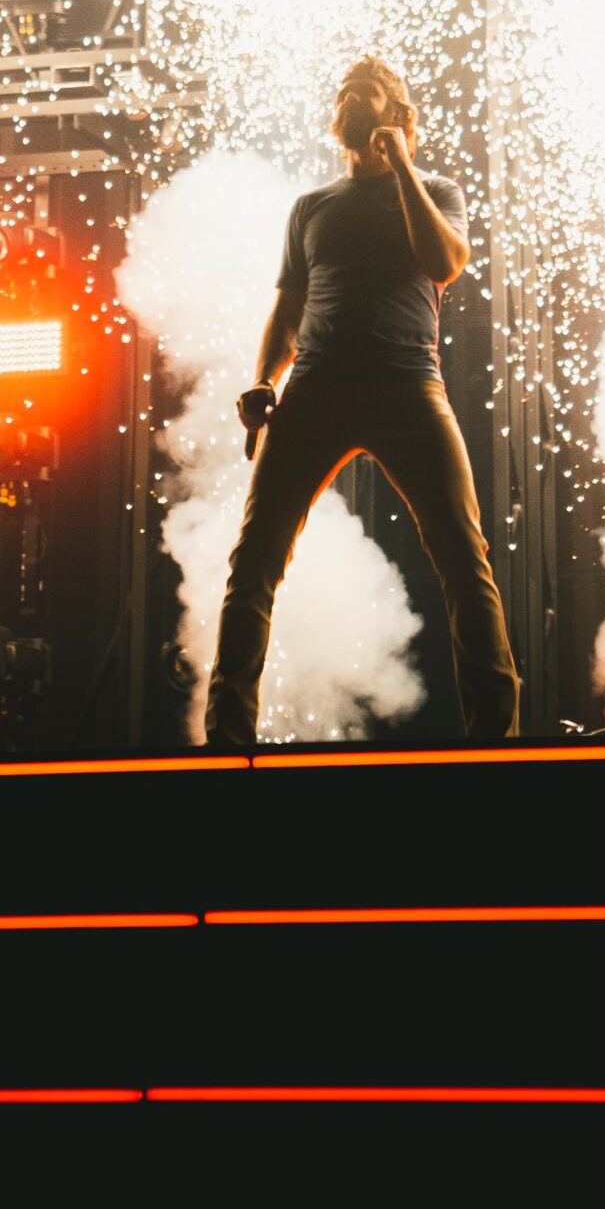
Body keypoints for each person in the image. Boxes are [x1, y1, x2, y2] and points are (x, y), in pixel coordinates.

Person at [204, 57, 519, 748]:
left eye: (367, 93)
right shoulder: (311, 208)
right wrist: (263, 379)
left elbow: (444, 263)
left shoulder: (436, 189)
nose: (349, 97)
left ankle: (498, 743)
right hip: (314, 390)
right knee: (253, 564)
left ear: (398, 119)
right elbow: (288, 312)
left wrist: (401, 165)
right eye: (343, 91)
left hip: (409, 387)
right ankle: (227, 741)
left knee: (466, 560)